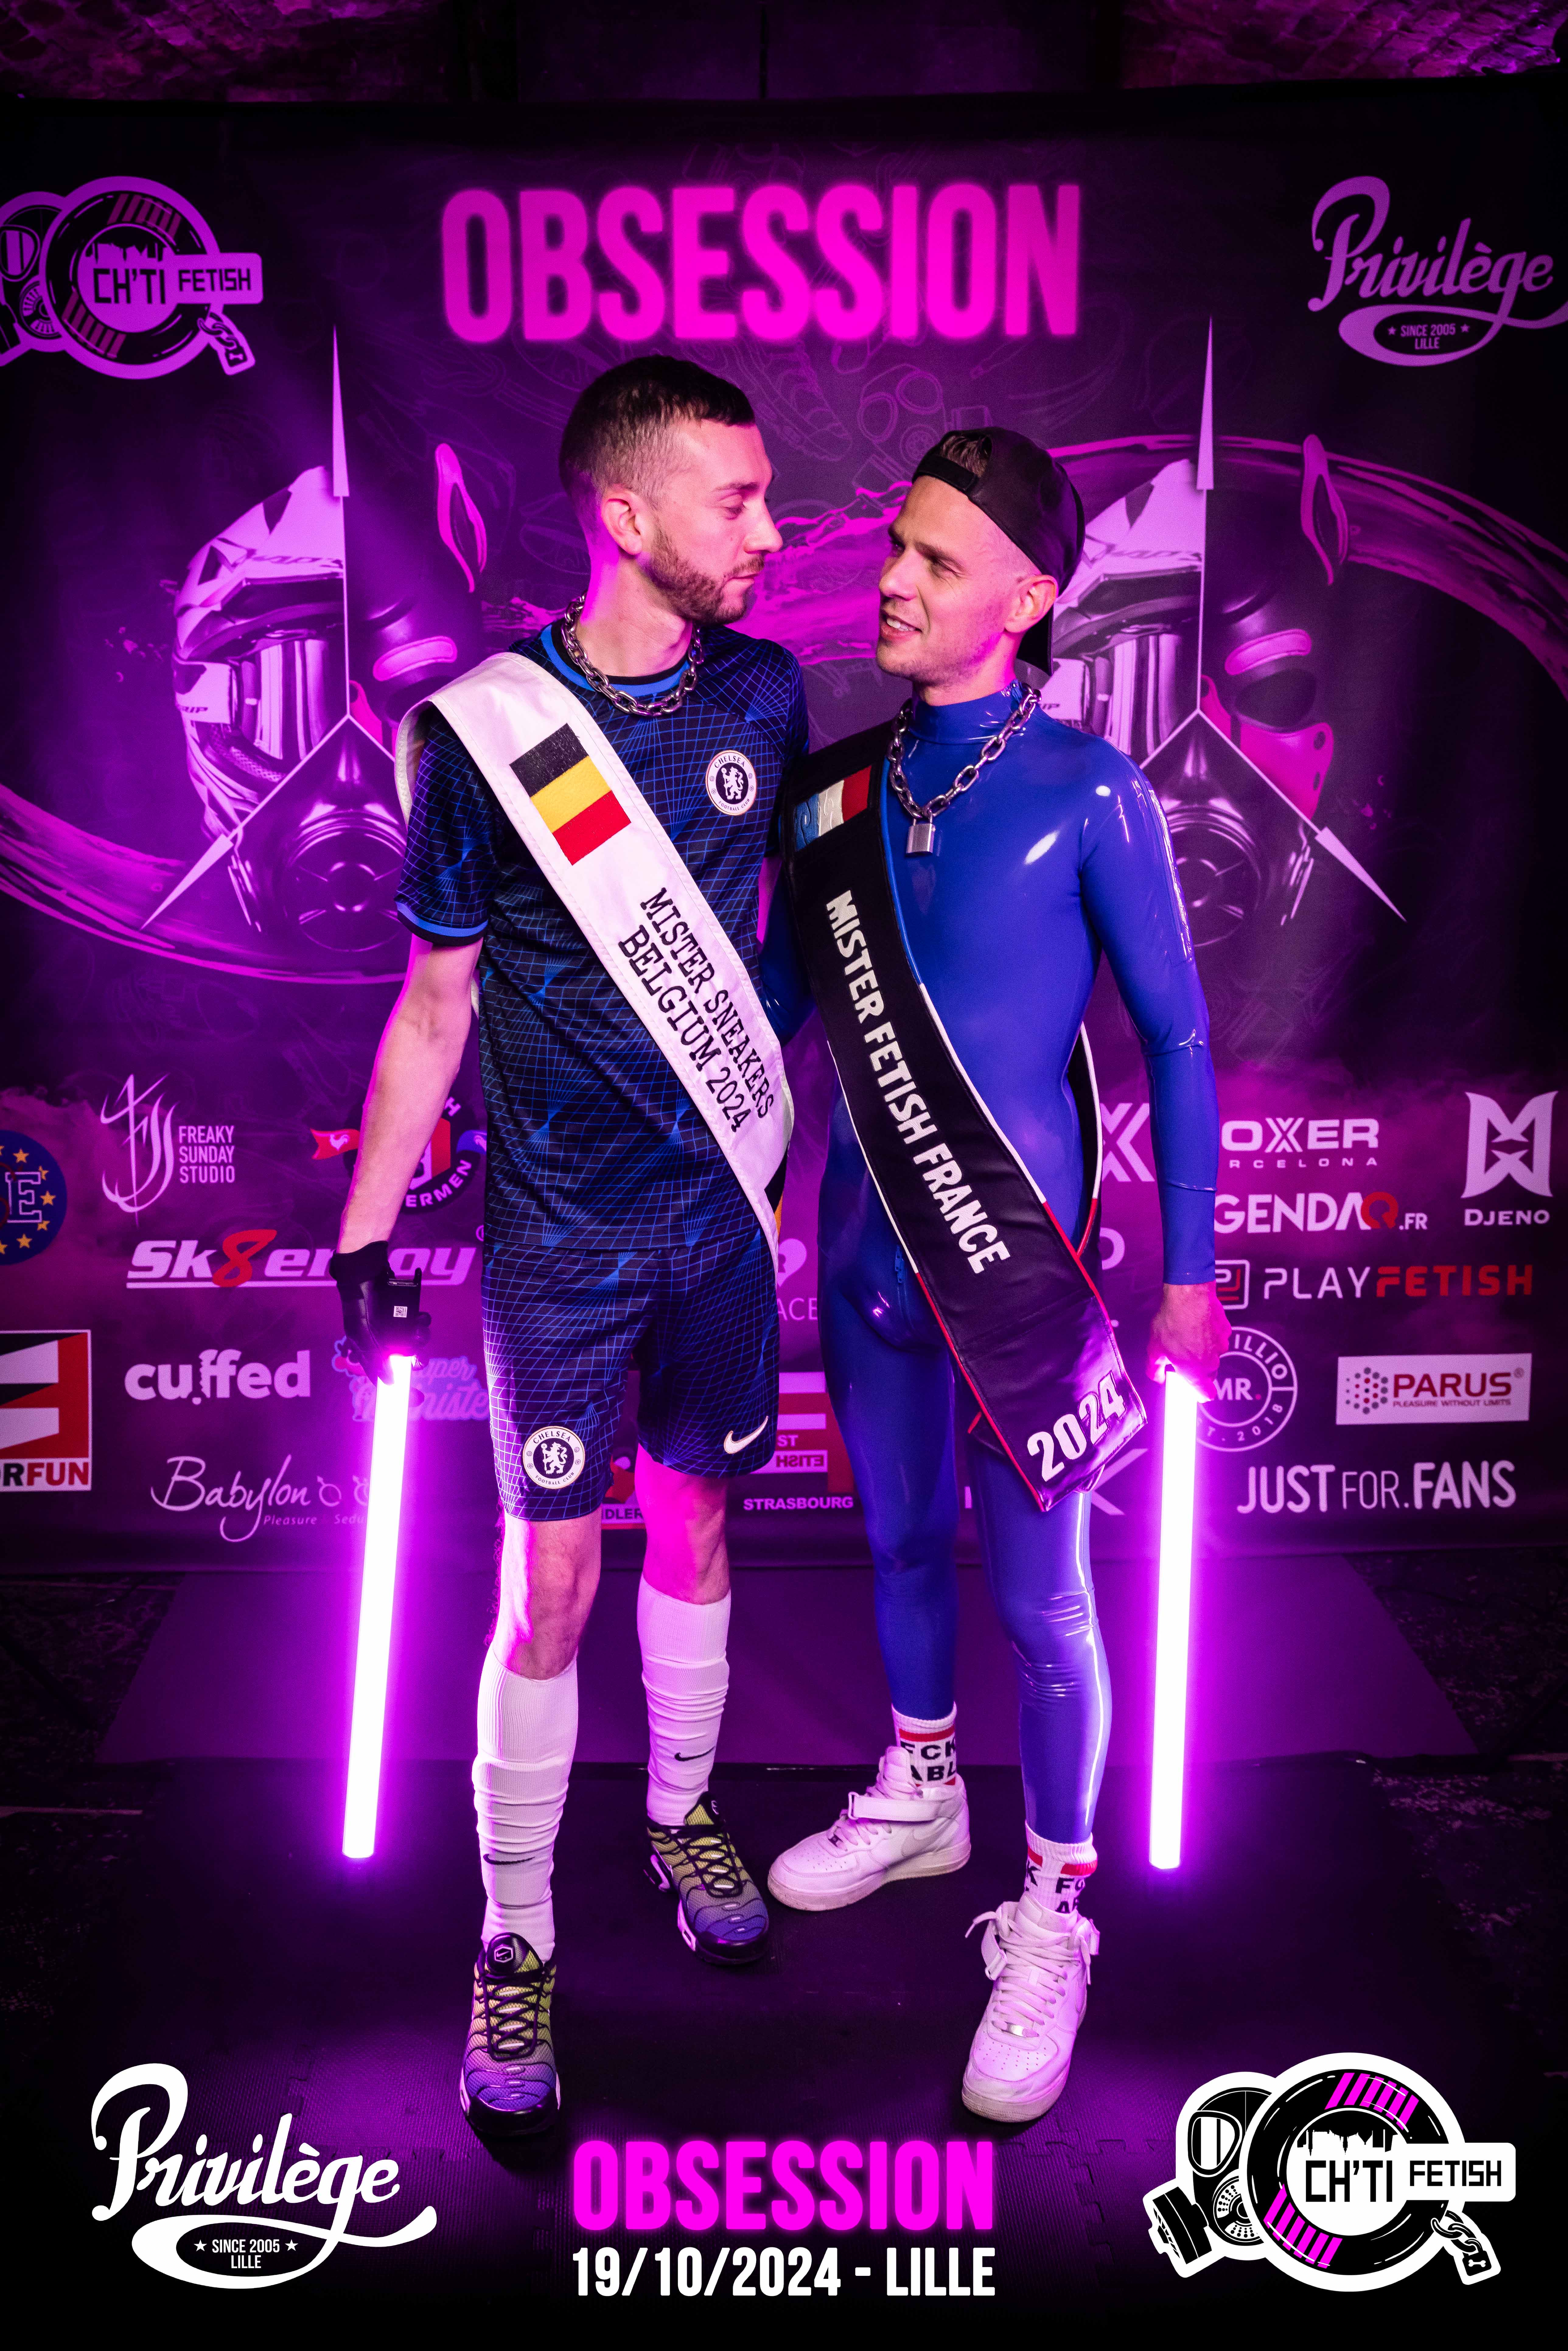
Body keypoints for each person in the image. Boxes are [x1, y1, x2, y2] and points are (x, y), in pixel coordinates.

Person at [330, 357, 806, 2141]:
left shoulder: (766, 689)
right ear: (627, 515)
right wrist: (367, 1231)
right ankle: (514, 1935)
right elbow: (434, 1002)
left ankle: (681, 1815)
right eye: (736, 500)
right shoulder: (485, 733)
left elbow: (788, 942)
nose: (771, 532)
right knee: (546, 1590)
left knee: (698, 1527)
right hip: (558, 1237)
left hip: (721, 1222)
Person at [759, 427, 1229, 2123]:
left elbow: (1179, 1041)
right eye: (898, 545)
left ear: (1027, 600)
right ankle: (922, 1791)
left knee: (1045, 1607)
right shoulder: (832, 793)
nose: (892, 579)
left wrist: (1190, 1273)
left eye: (937, 561)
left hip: (1018, 1283)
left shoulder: (1093, 791)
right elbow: (775, 1021)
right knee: (892, 1546)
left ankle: (1052, 1907)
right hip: (863, 1255)